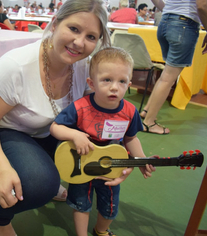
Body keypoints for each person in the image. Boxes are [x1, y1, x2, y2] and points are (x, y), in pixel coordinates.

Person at [0, 0, 111, 235]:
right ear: (55, 24)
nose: (79, 43)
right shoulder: (15, 66)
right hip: (5, 133)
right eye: (74, 29)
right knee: (39, 184)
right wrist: (2, 167)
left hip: (51, 131)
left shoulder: (85, 65)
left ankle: (44, 170)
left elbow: (96, 111)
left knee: (94, 157)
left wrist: (120, 154)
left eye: (91, 37)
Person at [50, 47, 155, 236]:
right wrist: (75, 135)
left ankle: (101, 230)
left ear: (129, 83)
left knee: (111, 207)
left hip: (110, 169)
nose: (114, 87)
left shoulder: (130, 112)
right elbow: (55, 128)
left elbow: (131, 138)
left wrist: (141, 159)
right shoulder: (80, 107)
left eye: (122, 81)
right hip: (81, 165)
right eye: (107, 80)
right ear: (92, 83)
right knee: (81, 205)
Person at [140, 0, 207, 134]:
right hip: (184, 24)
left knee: (165, 76)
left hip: (166, 22)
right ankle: (149, 123)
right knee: (168, 78)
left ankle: (147, 111)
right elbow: (202, 5)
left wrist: (169, 9)